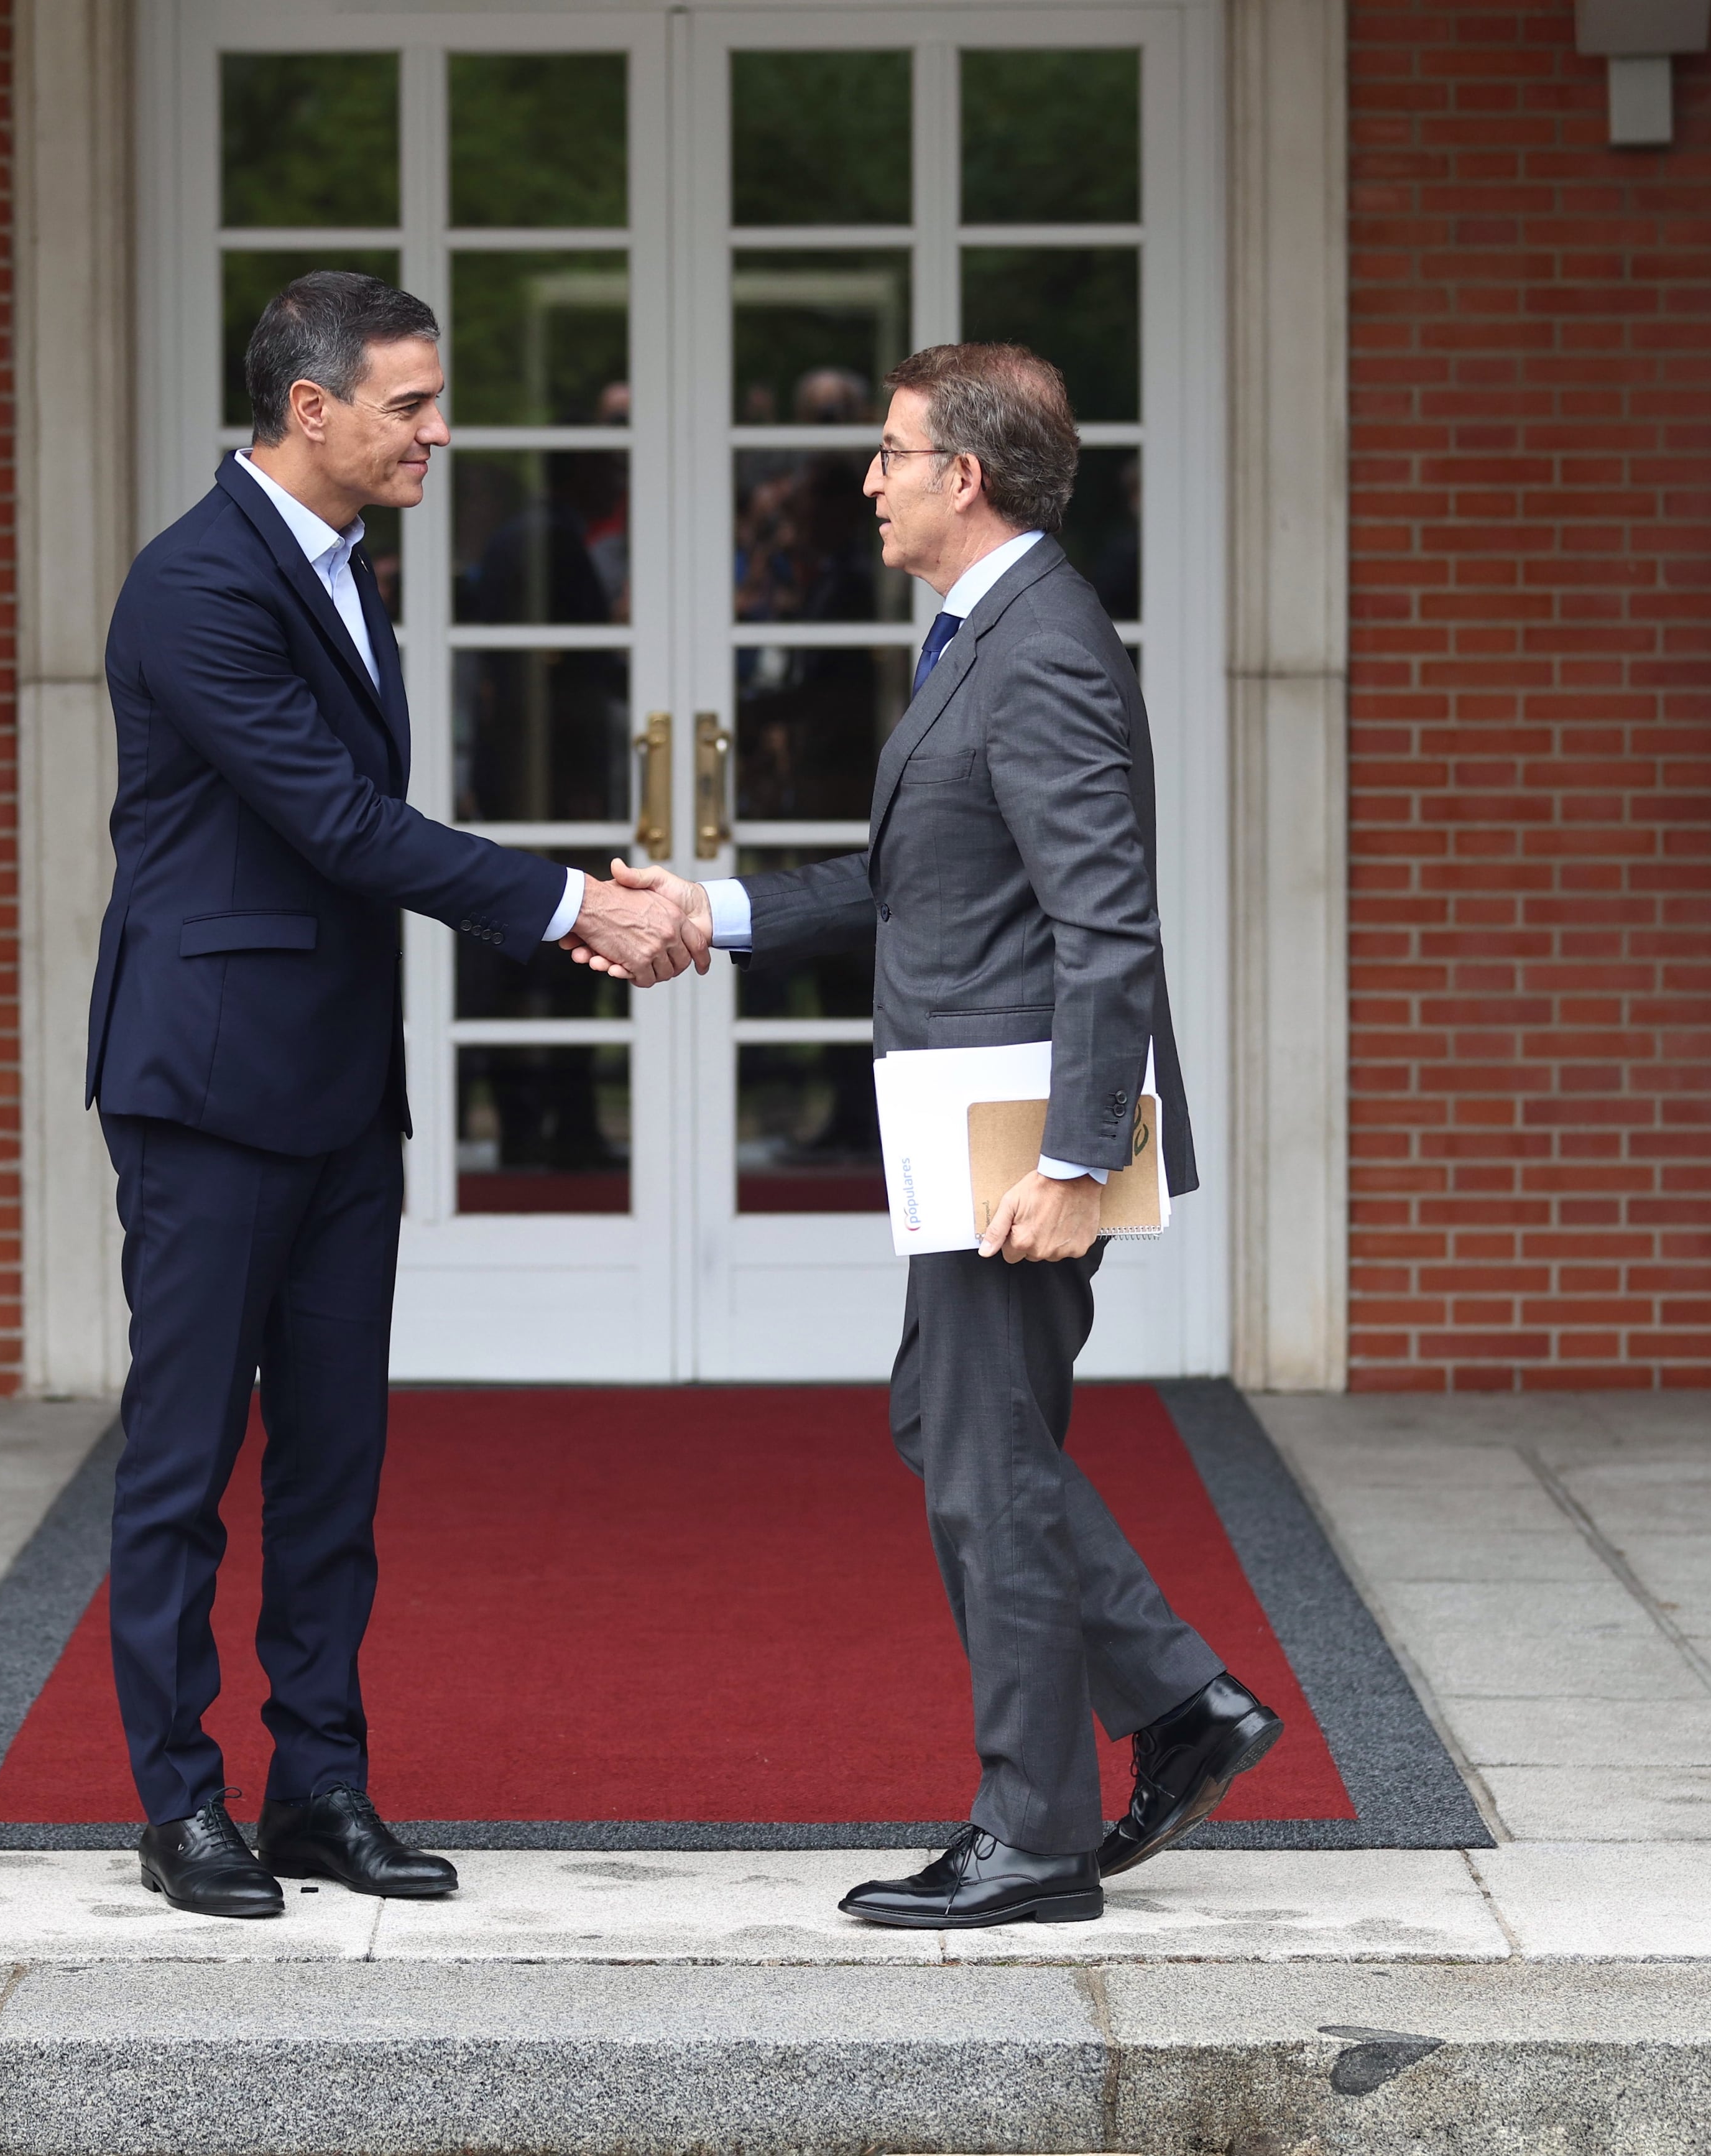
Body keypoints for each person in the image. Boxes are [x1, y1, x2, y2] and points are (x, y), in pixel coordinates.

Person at [592, 345, 1280, 1930]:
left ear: (961, 478)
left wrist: (1066, 1161)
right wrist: (721, 912)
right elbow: (927, 882)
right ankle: (1178, 1704)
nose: (867, 479)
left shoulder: (1033, 648)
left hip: (1015, 1142)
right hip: (980, 1129)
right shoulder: (990, 633)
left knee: (979, 1462)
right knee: (957, 1430)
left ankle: (1035, 1837)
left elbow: (1106, 926)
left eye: (891, 454)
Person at [85, 272, 702, 1920]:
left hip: (344, 1090)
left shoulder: (353, 574)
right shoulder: (195, 585)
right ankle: (177, 1802)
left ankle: (320, 1786)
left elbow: (362, 830)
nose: (442, 430)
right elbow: (336, 825)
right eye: (412, 404)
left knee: (334, 1467)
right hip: (210, 1088)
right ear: (310, 409)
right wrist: (578, 903)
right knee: (182, 1463)